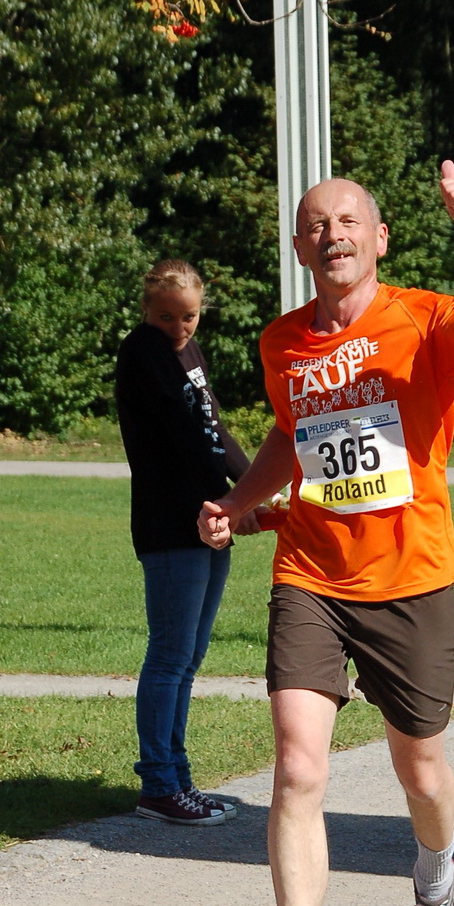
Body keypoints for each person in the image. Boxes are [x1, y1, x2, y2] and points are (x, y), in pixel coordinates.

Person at [198, 163, 454, 906]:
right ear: (300, 244)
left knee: (418, 766)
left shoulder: (423, 319)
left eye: (349, 219)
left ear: (378, 237)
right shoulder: (282, 343)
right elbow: (289, 433)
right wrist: (239, 504)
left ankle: (436, 883)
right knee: (297, 765)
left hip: (412, 578)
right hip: (310, 571)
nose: (333, 233)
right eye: (316, 223)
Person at [116, 258, 260, 827]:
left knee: (189, 658)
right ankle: (158, 783)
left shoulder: (188, 354)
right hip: (171, 523)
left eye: (190, 318)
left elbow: (214, 429)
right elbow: (183, 435)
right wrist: (239, 499)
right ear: (148, 310)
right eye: (167, 316)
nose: (179, 328)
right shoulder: (145, 352)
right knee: (171, 655)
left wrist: (251, 490)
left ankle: (178, 779)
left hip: (208, 519)